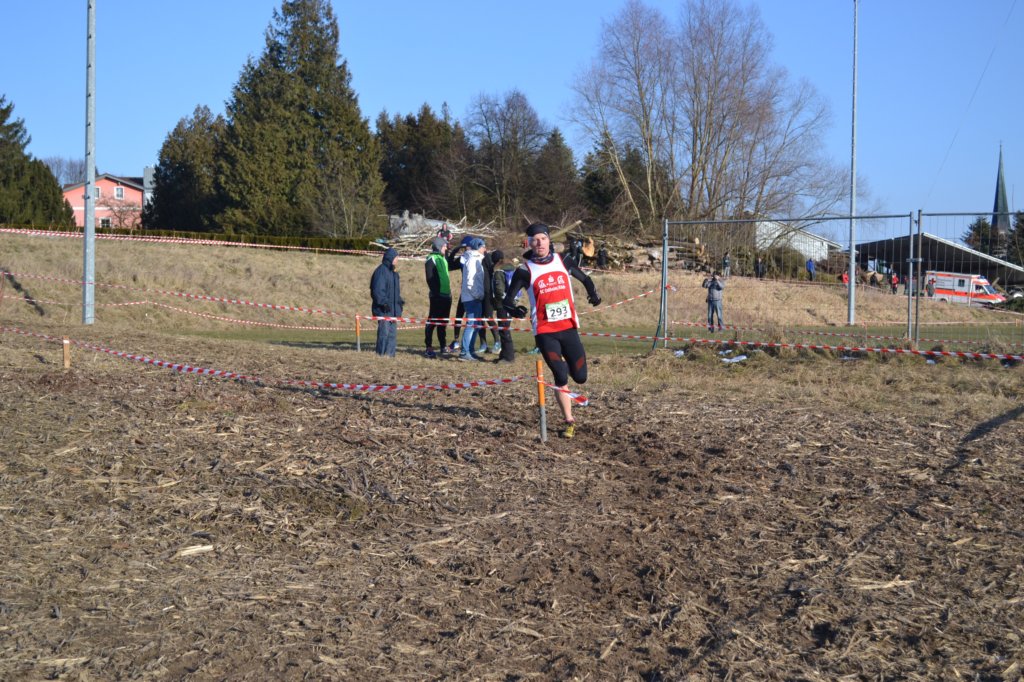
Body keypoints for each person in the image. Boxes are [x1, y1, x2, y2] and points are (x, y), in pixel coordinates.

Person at [503, 223, 602, 439]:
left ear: (549, 240)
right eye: (535, 240)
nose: (539, 243)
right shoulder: (524, 271)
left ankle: (565, 370)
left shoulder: (563, 260)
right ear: (529, 243)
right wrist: (515, 310)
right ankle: (569, 421)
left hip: (568, 328)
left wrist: (593, 294)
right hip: (545, 332)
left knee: (580, 377)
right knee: (560, 375)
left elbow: (585, 278)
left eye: (543, 238)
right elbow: (508, 300)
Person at [458, 237, 488, 362]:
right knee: (471, 324)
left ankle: (470, 350)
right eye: (483, 246)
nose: (485, 249)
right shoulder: (472, 259)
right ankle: (464, 352)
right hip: (472, 298)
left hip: (475, 297)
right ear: (479, 247)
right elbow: (470, 281)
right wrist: (477, 295)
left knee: (476, 325)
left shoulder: (477, 259)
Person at [423, 237, 454, 358]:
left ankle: (443, 346)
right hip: (437, 296)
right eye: (444, 246)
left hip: (446, 296)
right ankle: (428, 347)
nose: (446, 248)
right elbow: (430, 278)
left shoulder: (443, 258)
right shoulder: (431, 259)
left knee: (443, 323)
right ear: (439, 247)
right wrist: (436, 293)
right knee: (432, 322)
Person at [370, 248, 403, 357]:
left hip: (393, 310)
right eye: (396, 257)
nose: (397, 259)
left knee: (392, 335)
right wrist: (383, 303)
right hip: (384, 310)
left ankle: (390, 356)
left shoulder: (394, 273)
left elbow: (396, 292)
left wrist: (399, 303)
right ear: (390, 258)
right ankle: (381, 355)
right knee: (384, 334)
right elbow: (377, 290)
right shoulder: (381, 271)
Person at [489, 250, 515, 364]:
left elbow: (499, 289)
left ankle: (508, 357)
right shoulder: (511, 269)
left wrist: (500, 300)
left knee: (504, 331)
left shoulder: (499, 271)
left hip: (503, 305)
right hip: (511, 304)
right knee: (504, 329)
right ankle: (503, 355)